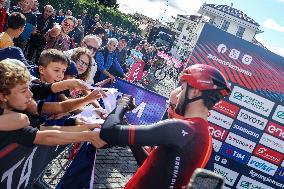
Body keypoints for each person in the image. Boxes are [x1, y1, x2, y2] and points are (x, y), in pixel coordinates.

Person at [99, 64, 231, 188]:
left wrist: (121, 105)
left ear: (195, 92)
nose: (178, 96)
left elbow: (108, 132)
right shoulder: (205, 135)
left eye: (183, 89)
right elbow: (156, 170)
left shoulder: (182, 128)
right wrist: (132, 137)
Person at [0, 59, 106, 148]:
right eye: (23, 91)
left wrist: (85, 130)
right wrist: (87, 135)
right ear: (3, 96)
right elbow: (44, 136)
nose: (30, 94)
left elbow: (43, 130)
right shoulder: (10, 120)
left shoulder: (20, 105)